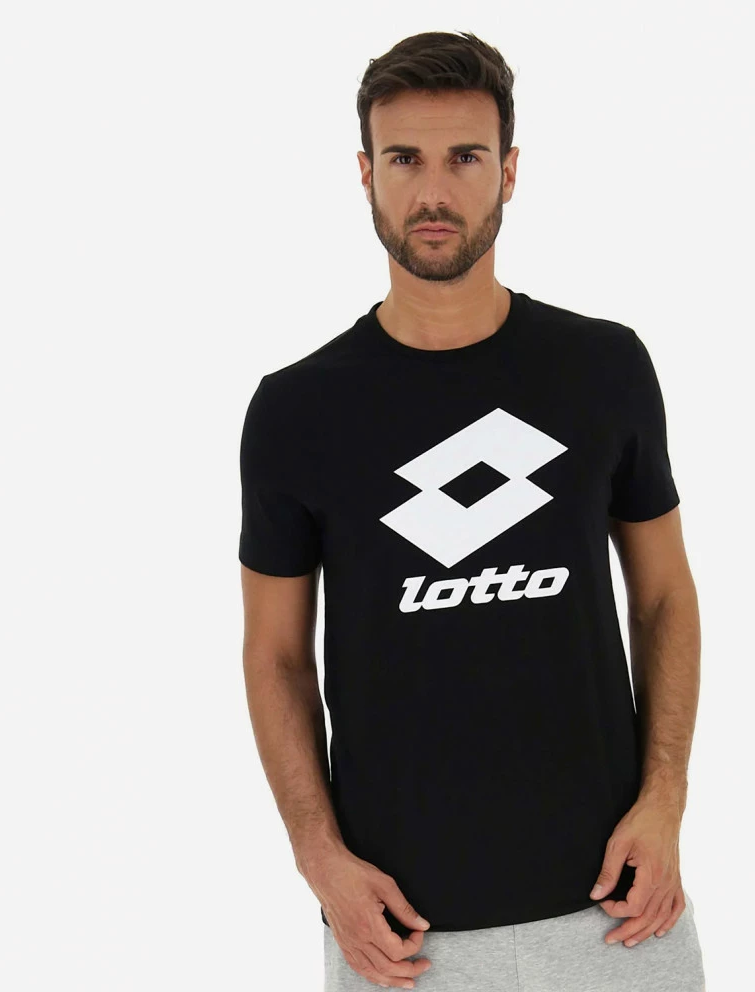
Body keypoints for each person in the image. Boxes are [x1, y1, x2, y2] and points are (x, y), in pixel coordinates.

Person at [238, 30, 705, 992]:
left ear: (510, 172)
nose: (434, 191)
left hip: (620, 913)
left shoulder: (604, 368)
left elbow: (663, 594)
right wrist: (319, 861)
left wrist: (665, 802)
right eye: (404, 159)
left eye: (465, 157)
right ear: (366, 174)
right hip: (400, 936)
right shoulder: (296, 410)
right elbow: (275, 652)